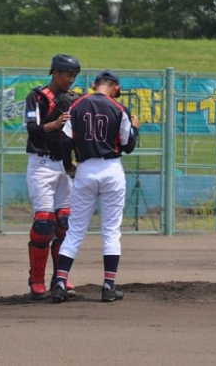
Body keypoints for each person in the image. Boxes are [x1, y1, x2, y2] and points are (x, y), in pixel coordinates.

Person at [51, 70, 141, 304]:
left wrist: (68, 165)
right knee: (111, 231)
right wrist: (135, 128)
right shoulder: (119, 108)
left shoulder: (77, 104)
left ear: (94, 84)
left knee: (75, 230)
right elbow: (128, 145)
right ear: (116, 87)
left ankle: (60, 284)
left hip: (86, 169)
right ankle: (109, 287)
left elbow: (64, 140)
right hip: (111, 169)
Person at [22, 54, 82, 300]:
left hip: (64, 164)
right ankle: (37, 279)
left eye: (74, 75)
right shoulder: (36, 96)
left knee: (65, 223)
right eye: (68, 74)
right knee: (44, 224)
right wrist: (55, 124)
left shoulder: (74, 99)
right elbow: (32, 130)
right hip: (42, 164)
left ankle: (61, 278)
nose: (71, 79)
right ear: (55, 73)